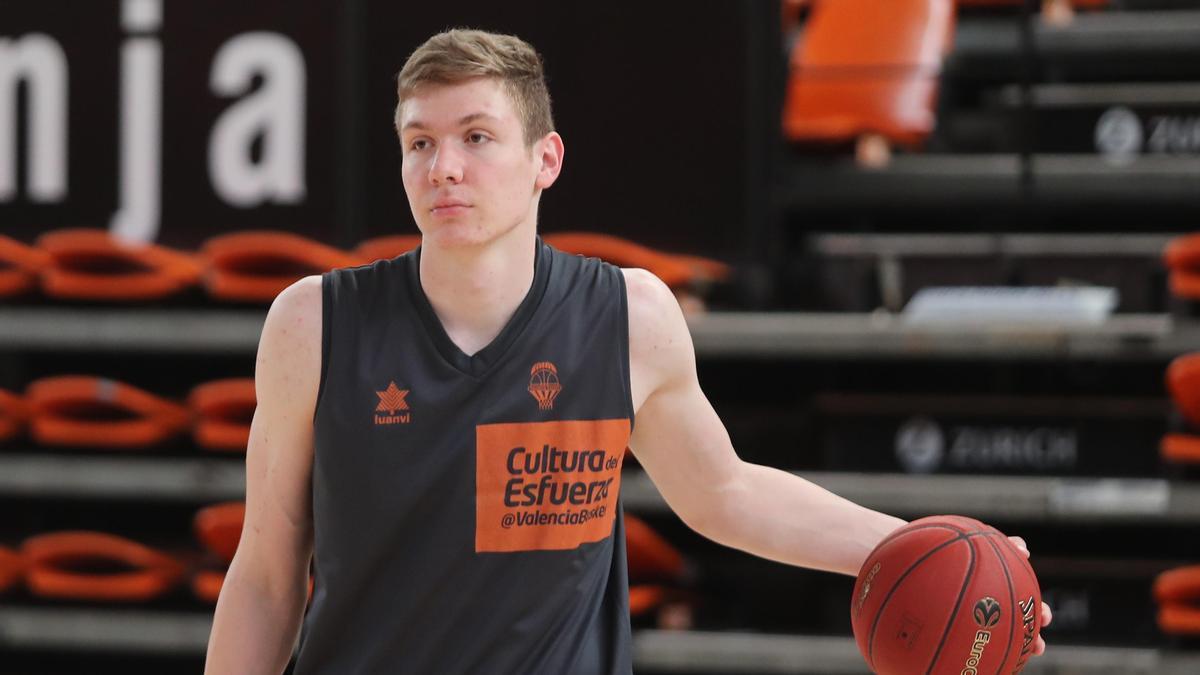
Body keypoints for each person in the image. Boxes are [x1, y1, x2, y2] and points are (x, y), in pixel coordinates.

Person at [203, 28, 1051, 674]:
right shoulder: (312, 323)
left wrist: (930, 549)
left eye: (475, 137)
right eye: (419, 142)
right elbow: (267, 574)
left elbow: (725, 493)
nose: (444, 167)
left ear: (546, 160)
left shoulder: (628, 313)